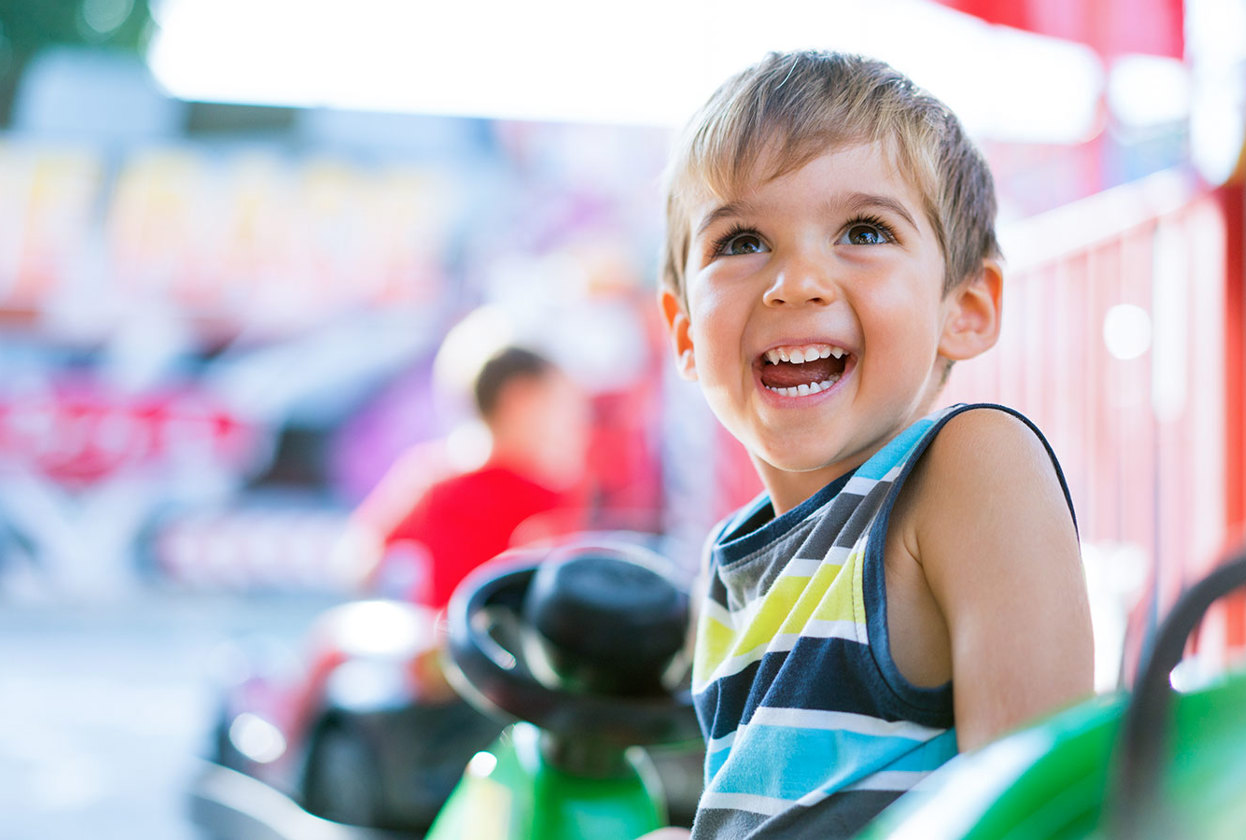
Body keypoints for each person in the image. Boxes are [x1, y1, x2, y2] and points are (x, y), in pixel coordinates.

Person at [647, 51, 1095, 838]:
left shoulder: (967, 468)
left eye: (863, 230)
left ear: (966, 307)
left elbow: (1040, 808)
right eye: (743, 240)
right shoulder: (729, 567)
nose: (796, 281)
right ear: (685, 331)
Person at [352, 345, 591, 610]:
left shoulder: (432, 476)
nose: (570, 419)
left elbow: (361, 560)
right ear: (519, 399)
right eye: (557, 402)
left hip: (443, 642)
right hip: (506, 645)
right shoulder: (554, 493)